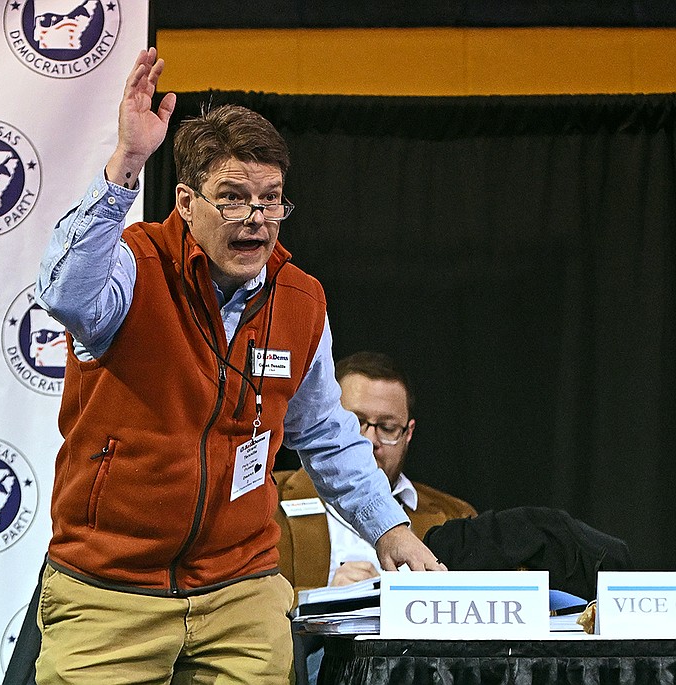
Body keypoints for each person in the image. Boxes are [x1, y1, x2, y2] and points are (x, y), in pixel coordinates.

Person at [32, 47, 445, 684]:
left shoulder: (301, 299)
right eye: (232, 198)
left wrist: (392, 531)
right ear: (185, 202)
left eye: (270, 199)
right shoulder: (134, 267)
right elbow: (65, 293)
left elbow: (326, 436)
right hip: (110, 588)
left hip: (239, 587)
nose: (254, 218)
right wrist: (126, 165)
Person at [276, 350, 476, 597]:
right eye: (354, 423)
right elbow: (244, 604)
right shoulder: (268, 501)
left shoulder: (455, 515)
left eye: (387, 428)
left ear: (408, 433)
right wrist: (324, 596)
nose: (369, 440)